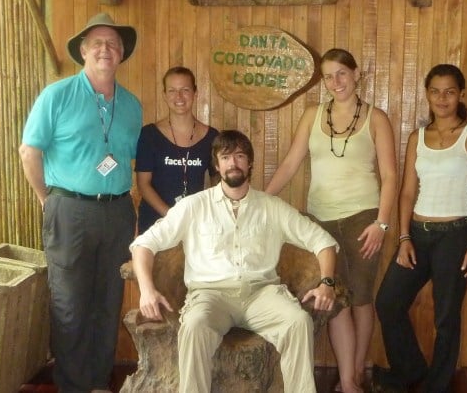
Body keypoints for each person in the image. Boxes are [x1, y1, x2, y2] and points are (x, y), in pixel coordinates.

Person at [130, 130, 339, 393]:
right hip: (210, 295)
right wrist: (147, 291)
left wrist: (327, 282)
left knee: (298, 322)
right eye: (226, 157)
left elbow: (324, 242)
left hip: (261, 294)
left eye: (240, 156)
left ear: (250, 163)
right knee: (194, 327)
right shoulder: (194, 206)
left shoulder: (271, 207)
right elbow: (143, 245)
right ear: (216, 165)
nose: (233, 163)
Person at [19, 13, 143, 393]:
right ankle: (74, 386)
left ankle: (99, 382)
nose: (106, 49)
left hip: (119, 211)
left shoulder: (133, 105)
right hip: (69, 209)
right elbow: (29, 152)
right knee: (70, 303)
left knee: (108, 301)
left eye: (113, 44)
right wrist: (47, 199)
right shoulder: (56, 95)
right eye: (98, 43)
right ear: (84, 52)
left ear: (121, 54)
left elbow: (125, 160)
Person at [265, 48, 397, 393]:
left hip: (363, 220)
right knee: (336, 301)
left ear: (357, 75)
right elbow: (292, 163)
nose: (335, 81)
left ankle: (352, 377)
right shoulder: (312, 115)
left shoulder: (376, 118)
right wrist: (261, 199)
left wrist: (382, 223)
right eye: (328, 75)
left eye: (342, 73)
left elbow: (390, 176)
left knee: (362, 299)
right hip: (319, 221)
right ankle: (348, 377)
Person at [373, 64, 467, 393]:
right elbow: (408, 192)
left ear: (461, 95)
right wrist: (404, 237)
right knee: (388, 302)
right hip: (418, 234)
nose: (442, 98)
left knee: (446, 316)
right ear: (427, 95)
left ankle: (436, 386)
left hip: (456, 236)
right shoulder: (417, 138)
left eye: (450, 91)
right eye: (435, 91)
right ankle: (410, 369)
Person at [135, 66, 219, 233]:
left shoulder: (212, 136)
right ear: (165, 95)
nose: (179, 97)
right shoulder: (149, 134)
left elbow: (217, 179)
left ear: (195, 93)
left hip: (194, 224)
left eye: (185, 90)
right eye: (172, 90)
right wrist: (172, 216)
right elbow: (143, 185)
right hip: (156, 224)